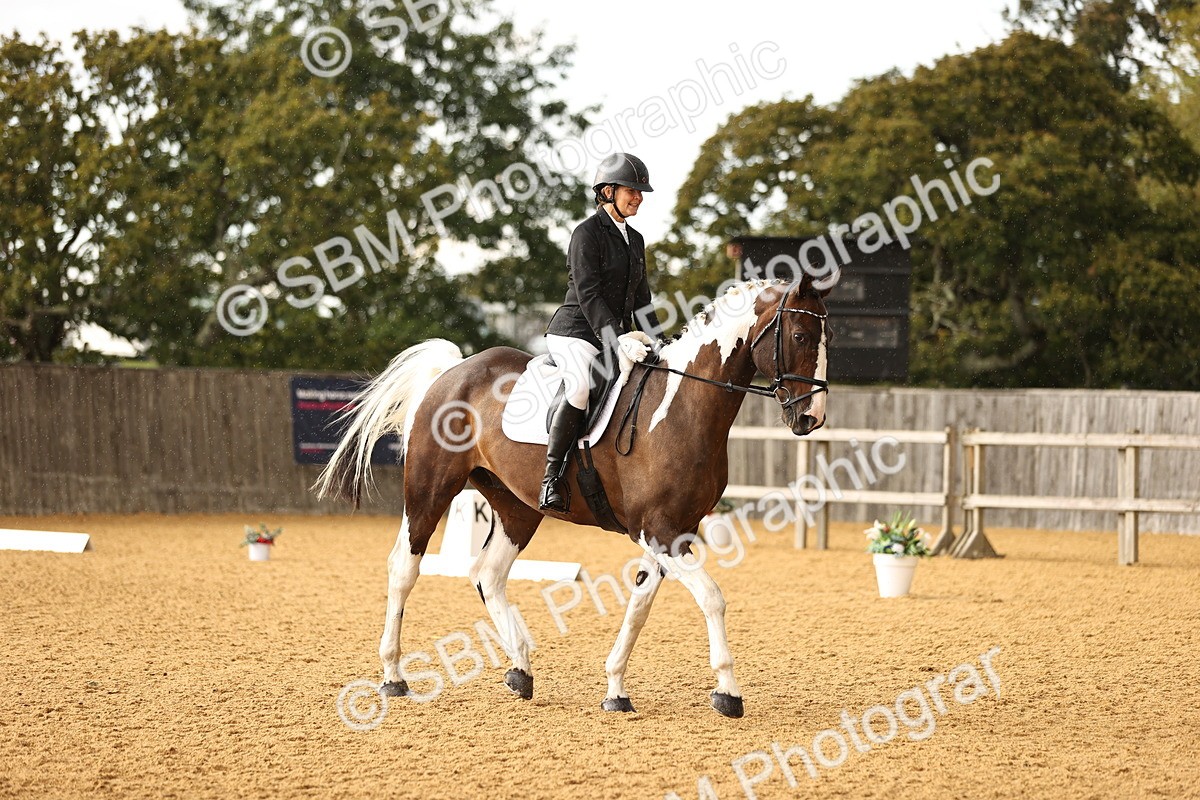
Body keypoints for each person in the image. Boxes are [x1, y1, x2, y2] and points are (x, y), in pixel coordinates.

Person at [539, 152, 660, 512]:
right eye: (632, 191)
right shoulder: (586, 233)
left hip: (615, 337)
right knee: (578, 387)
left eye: (641, 193)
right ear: (608, 191)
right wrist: (617, 336)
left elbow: (642, 299)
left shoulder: (635, 240)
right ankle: (551, 478)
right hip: (575, 331)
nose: (638, 197)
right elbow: (588, 294)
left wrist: (658, 338)